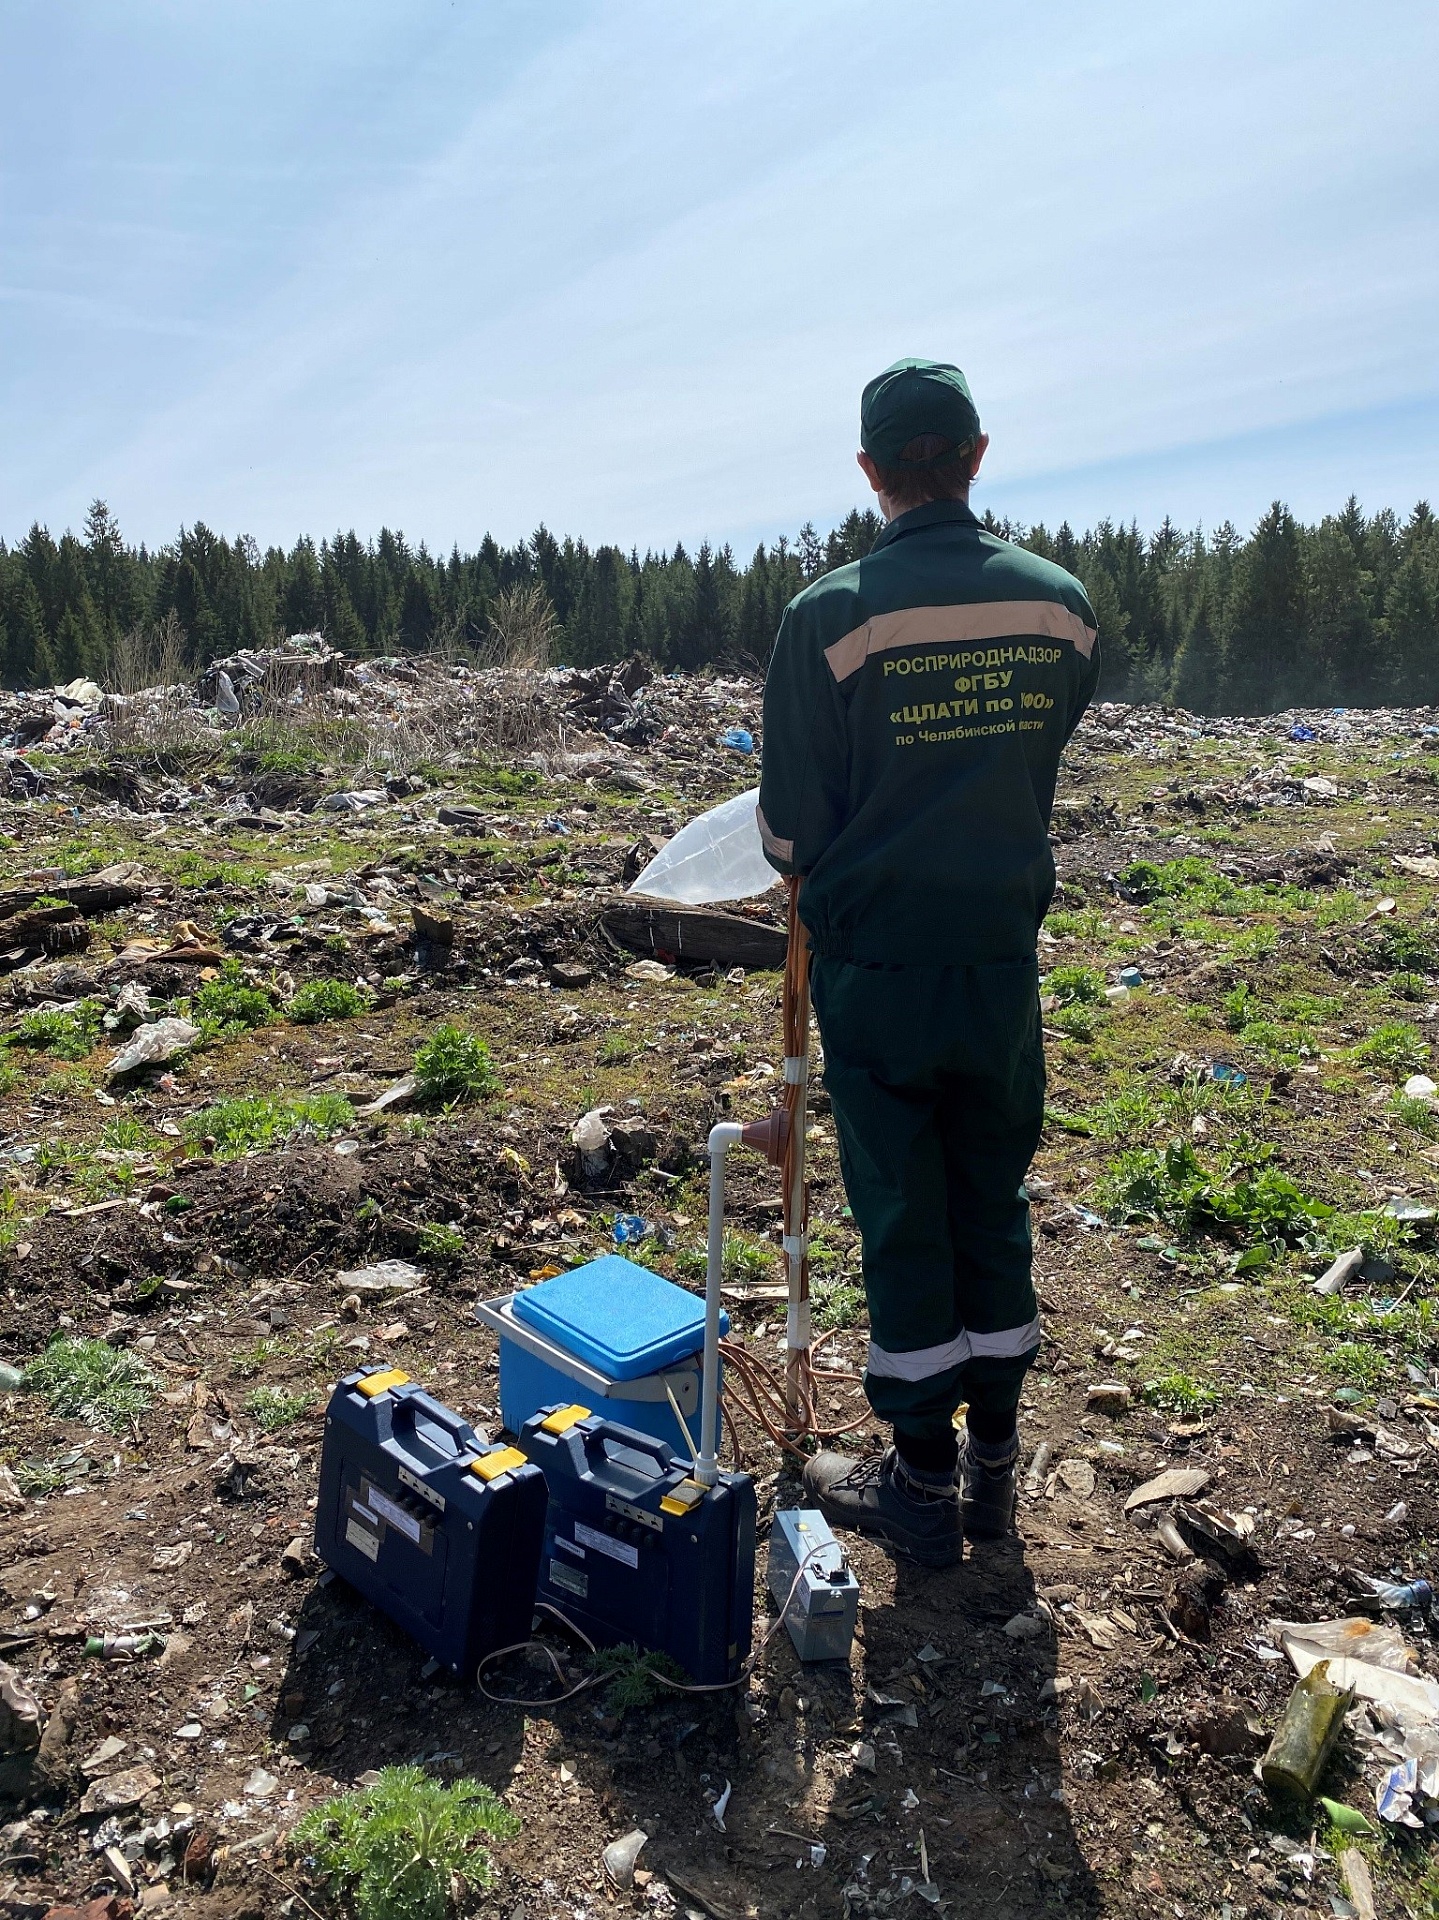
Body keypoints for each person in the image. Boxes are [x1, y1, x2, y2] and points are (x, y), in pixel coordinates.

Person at [756, 358, 1101, 1567]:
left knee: (901, 1203)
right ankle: (996, 1464)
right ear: (975, 455)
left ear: (868, 470)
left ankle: (917, 1478)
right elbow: (1038, 754)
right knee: (989, 1189)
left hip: (878, 963)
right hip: (997, 957)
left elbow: (791, 835)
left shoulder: (827, 617)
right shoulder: (1058, 606)